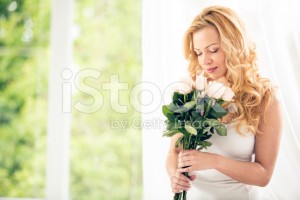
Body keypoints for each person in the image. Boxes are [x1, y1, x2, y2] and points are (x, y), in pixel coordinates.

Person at [165, 5, 282, 200]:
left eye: (213, 50)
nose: (205, 60)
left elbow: (263, 175)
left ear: (234, 46)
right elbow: (174, 152)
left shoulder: (263, 98)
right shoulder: (191, 92)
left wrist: (213, 161)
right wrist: (174, 176)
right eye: (199, 52)